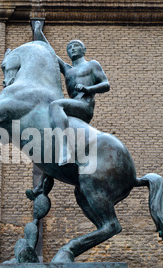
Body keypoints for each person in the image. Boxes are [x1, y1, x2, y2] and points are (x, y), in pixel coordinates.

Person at [32, 21, 110, 165]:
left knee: (55, 105)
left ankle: (64, 149)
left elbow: (106, 84)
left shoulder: (92, 65)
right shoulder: (67, 69)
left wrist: (88, 89)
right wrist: (38, 31)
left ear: (83, 50)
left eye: (76, 46)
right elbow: (50, 53)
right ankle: (45, 181)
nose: (72, 49)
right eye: (69, 47)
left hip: (84, 105)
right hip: (73, 107)